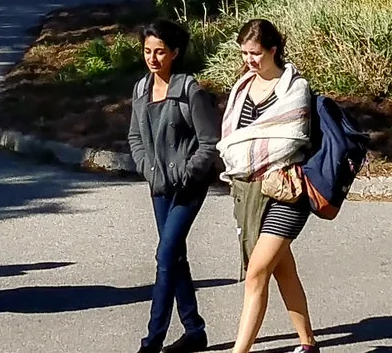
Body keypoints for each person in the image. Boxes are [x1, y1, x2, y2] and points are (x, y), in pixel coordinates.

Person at [217, 19, 318, 353]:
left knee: (257, 271)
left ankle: (239, 351)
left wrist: (254, 157)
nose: (250, 60)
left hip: (287, 190)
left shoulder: (294, 89)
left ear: (273, 50)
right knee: (282, 270)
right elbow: (233, 138)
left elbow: (289, 138)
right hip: (250, 190)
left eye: (256, 53)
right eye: (245, 53)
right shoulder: (242, 86)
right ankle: (308, 343)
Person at [128, 18, 223, 353]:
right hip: (159, 188)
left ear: (175, 52)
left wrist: (185, 174)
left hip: (187, 188)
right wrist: (147, 169)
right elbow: (135, 136)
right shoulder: (141, 90)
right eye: (147, 51)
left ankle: (152, 340)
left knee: (165, 255)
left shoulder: (189, 91)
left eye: (160, 52)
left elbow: (210, 143)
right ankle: (195, 331)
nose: (153, 59)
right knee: (176, 257)